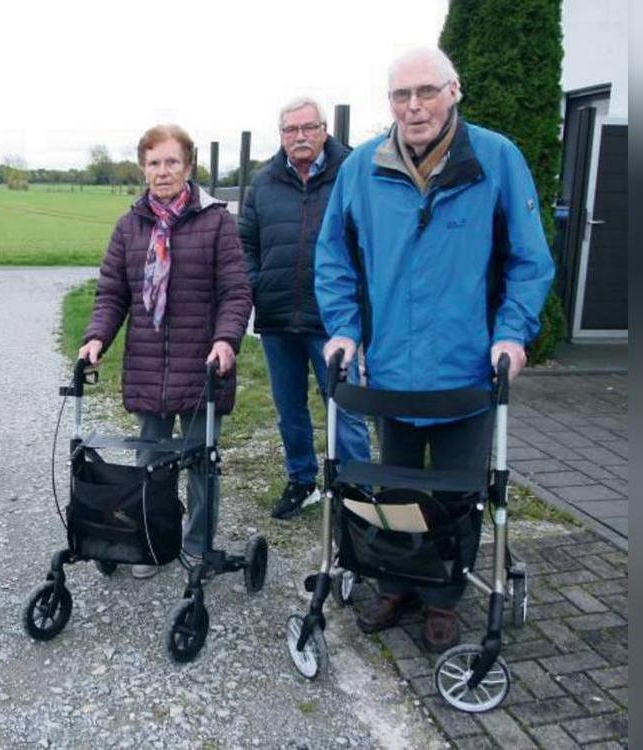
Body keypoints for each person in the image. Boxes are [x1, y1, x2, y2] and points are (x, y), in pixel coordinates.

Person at [315, 48, 555, 652]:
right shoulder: (362, 168)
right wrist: (344, 328)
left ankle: (444, 597)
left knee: (455, 495)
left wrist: (512, 334)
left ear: (454, 91)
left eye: (427, 91)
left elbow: (529, 260)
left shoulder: (496, 159)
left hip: (466, 371)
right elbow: (334, 256)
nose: (414, 106)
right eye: (402, 95)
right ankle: (396, 583)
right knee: (394, 490)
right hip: (390, 371)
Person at [78, 124, 252, 579]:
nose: (163, 171)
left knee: (200, 463)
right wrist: (96, 337)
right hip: (147, 366)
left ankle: (197, 546)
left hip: (202, 367)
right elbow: (112, 294)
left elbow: (236, 292)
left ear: (188, 166)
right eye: (154, 163)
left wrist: (226, 340)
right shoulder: (128, 226)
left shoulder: (217, 222)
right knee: (151, 462)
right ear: (143, 168)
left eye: (172, 161)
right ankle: (152, 542)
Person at [239, 98, 371, 521]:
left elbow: (370, 241)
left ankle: (357, 491)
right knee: (289, 408)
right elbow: (245, 244)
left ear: (324, 129)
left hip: (334, 321)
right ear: (281, 134)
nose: (300, 136)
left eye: (308, 127)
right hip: (278, 316)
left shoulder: (353, 172)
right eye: (290, 129)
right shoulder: (263, 182)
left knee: (345, 406)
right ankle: (302, 480)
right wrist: (259, 284)